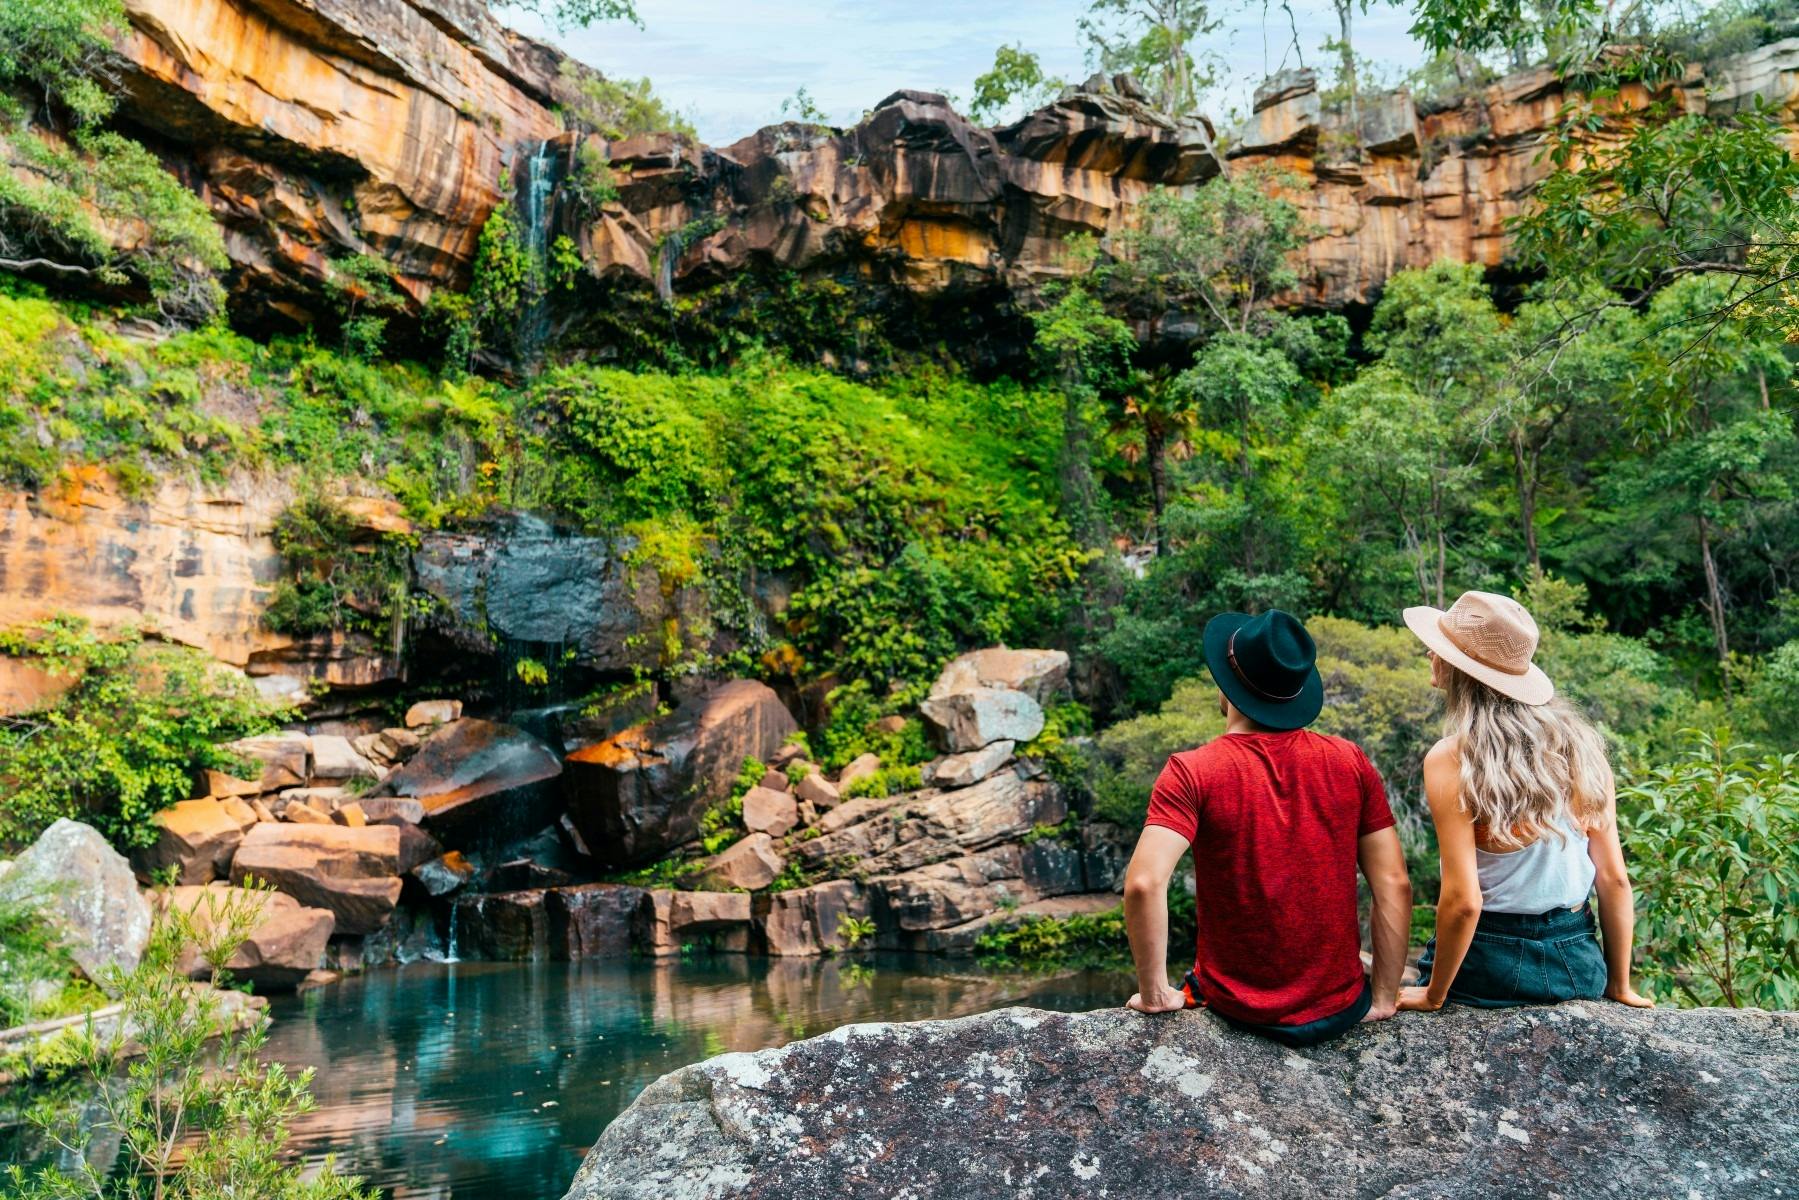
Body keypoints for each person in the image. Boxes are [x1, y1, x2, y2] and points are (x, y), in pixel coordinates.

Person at [1122, 608, 1413, 1047]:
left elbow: (1144, 883)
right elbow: (1393, 883)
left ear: (1227, 686)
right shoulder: (1349, 760)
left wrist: (1154, 993)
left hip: (1238, 1010)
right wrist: (1385, 995)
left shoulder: (1191, 771)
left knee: (1188, 983)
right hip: (1340, 1008)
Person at [1397, 590, 1654, 1012]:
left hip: (1486, 959)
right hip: (1576, 960)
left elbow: (1464, 901)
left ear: (1461, 670)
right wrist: (1620, 986)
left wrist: (1433, 995)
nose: (1429, 651)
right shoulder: (1582, 749)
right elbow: (1614, 880)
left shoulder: (1452, 758)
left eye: (1438, 647)